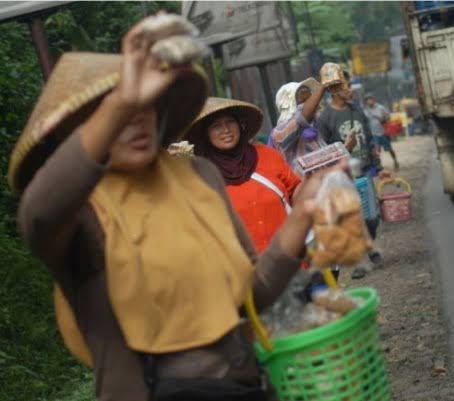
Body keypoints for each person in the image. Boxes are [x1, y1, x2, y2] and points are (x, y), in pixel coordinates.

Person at [11, 15, 332, 401]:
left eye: (147, 105)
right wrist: (123, 99)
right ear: (78, 132)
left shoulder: (198, 176)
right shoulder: (79, 209)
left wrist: (302, 216)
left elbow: (252, 292)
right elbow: (37, 216)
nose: (137, 119)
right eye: (116, 114)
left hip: (244, 385)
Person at [183, 97, 302, 253]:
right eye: (216, 126)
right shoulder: (201, 174)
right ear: (206, 134)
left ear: (240, 125)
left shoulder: (268, 155)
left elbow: (296, 191)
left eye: (230, 122)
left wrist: (316, 183)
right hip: (244, 270)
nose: (225, 130)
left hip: (291, 258)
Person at [316, 66, 383, 279]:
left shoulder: (356, 109)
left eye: (348, 83)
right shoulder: (325, 118)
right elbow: (323, 151)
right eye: (344, 84)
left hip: (364, 170)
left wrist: (377, 164)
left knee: (372, 217)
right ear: (333, 89)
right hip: (344, 178)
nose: (349, 88)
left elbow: (369, 137)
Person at [270, 78, 327, 174]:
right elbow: (301, 118)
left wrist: (346, 148)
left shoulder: (313, 127)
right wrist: (323, 85)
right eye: (303, 101)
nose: (311, 104)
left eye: (310, 98)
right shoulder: (280, 131)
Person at [364, 93, 399, 171]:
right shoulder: (365, 111)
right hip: (373, 134)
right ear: (366, 102)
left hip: (383, 132)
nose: (369, 101)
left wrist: (383, 119)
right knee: (376, 152)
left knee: (389, 149)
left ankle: (395, 161)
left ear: (374, 99)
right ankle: (380, 167)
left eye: (370, 99)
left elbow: (388, 117)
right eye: (367, 100)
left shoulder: (381, 108)